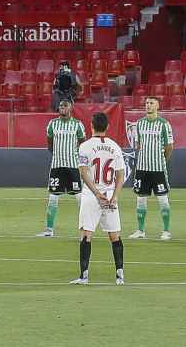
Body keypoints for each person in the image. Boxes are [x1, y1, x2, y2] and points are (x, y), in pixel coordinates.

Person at [70, 111, 127, 285]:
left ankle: (84, 276)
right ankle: (120, 276)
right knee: (114, 236)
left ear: (91, 125)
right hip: (110, 194)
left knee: (86, 234)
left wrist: (96, 193)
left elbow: (83, 171)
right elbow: (121, 174)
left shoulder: (85, 146)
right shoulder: (115, 147)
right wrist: (115, 196)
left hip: (92, 195)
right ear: (107, 127)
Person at [127, 97, 174, 241]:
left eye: (151, 103)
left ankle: (166, 231)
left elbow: (169, 146)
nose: (148, 105)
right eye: (147, 103)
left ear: (158, 106)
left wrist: (162, 160)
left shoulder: (164, 124)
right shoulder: (139, 124)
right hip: (142, 168)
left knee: (163, 200)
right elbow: (139, 144)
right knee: (141, 199)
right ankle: (140, 230)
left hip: (158, 168)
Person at [37, 99, 85, 238]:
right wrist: (58, 155)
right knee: (53, 197)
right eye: (60, 106)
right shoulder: (52, 124)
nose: (62, 108)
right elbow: (50, 144)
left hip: (73, 166)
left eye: (65, 106)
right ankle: (49, 230)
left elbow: (82, 144)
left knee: (79, 197)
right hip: (57, 166)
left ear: (71, 108)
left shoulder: (78, 125)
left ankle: (85, 228)